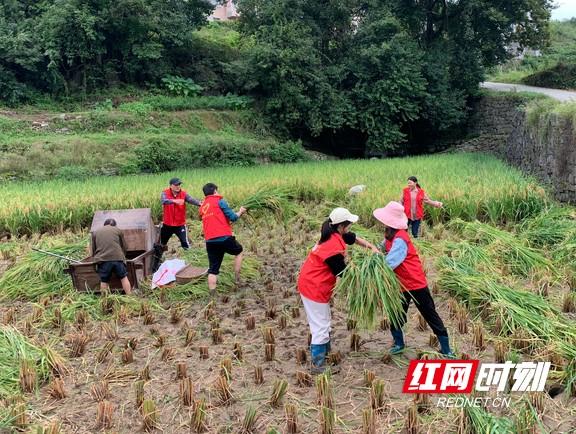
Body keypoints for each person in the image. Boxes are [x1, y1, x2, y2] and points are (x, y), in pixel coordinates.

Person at [297, 208, 380, 374]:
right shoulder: (332, 248)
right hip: (314, 286)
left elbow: (353, 238)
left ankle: (324, 354)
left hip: (315, 283)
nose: (349, 228)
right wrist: (365, 279)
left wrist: (372, 248)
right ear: (341, 226)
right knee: (320, 325)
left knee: (324, 321)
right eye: (348, 225)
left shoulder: (335, 232)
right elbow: (344, 273)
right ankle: (318, 366)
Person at [373, 201, 454, 358]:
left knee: (429, 313)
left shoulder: (400, 239)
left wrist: (375, 266)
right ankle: (398, 343)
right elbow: (381, 247)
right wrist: (372, 251)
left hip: (415, 283)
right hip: (400, 284)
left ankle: (446, 348)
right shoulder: (389, 234)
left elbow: (390, 262)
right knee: (396, 314)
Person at [199, 183, 246, 296]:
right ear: (215, 191)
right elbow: (233, 217)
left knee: (213, 269)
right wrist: (240, 211)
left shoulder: (203, 206)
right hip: (224, 238)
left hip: (210, 241)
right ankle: (237, 278)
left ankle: (212, 294)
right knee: (239, 251)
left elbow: (211, 218)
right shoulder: (219, 201)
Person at [92, 219, 132, 295]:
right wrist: (122, 257)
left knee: (104, 280)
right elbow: (124, 247)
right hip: (117, 258)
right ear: (114, 225)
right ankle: (129, 296)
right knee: (123, 277)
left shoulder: (96, 232)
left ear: (104, 225)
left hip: (103, 259)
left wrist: (96, 259)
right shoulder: (118, 230)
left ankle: (105, 299)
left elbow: (94, 249)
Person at [160, 178, 202, 250]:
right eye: (176, 185)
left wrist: (200, 203)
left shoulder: (184, 194)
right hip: (167, 225)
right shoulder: (165, 193)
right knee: (162, 244)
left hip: (180, 225)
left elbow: (191, 200)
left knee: (185, 243)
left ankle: (189, 258)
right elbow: (164, 201)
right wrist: (175, 201)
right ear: (171, 186)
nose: (178, 186)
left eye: (179, 184)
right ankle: (159, 258)